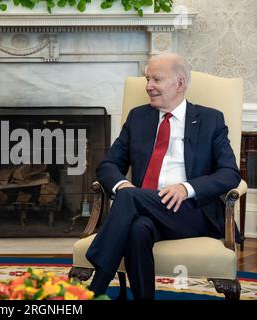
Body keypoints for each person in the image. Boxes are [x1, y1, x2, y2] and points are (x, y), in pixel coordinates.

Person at [86, 53, 241, 300]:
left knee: (128, 199)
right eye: (147, 79)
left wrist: (186, 188)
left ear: (179, 83)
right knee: (137, 228)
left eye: (156, 79)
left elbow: (230, 173)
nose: (148, 86)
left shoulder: (210, 119)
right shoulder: (139, 117)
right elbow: (108, 165)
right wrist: (123, 184)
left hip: (192, 211)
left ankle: (97, 285)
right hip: (145, 206)